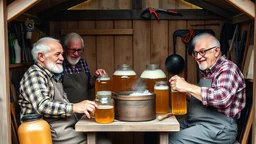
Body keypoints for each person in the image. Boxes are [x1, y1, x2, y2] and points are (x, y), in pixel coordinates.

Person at [18, 37, 111, 144]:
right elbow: (42, 105)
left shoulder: (50, 74)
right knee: (103, 142)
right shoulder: (35, 75)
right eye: (57, 54)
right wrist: (74, 107)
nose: (62, 58)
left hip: (65, 128)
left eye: (61, 54)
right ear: (41, 56)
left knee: (103, 138)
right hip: (51, 133)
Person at [168, 33, 246, 144]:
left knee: (172, 140)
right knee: (160, 132)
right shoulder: (209, 71)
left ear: (216, 51)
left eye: (202, 52)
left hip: (218, 128)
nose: (198, 57)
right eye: (196, 53)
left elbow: (221, 99)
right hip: (195, 123)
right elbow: (205, 100)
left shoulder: (228, 69)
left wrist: (188, 86)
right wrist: (186, 92)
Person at [61, 32, 106, 108]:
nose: (76, 54)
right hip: (67, 112)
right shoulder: (59, 65)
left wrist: (95, 77)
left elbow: (88, 85)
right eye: (72, 50)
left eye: (79, 50)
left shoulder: (82, 62)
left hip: (84, 111)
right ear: (64, 49)